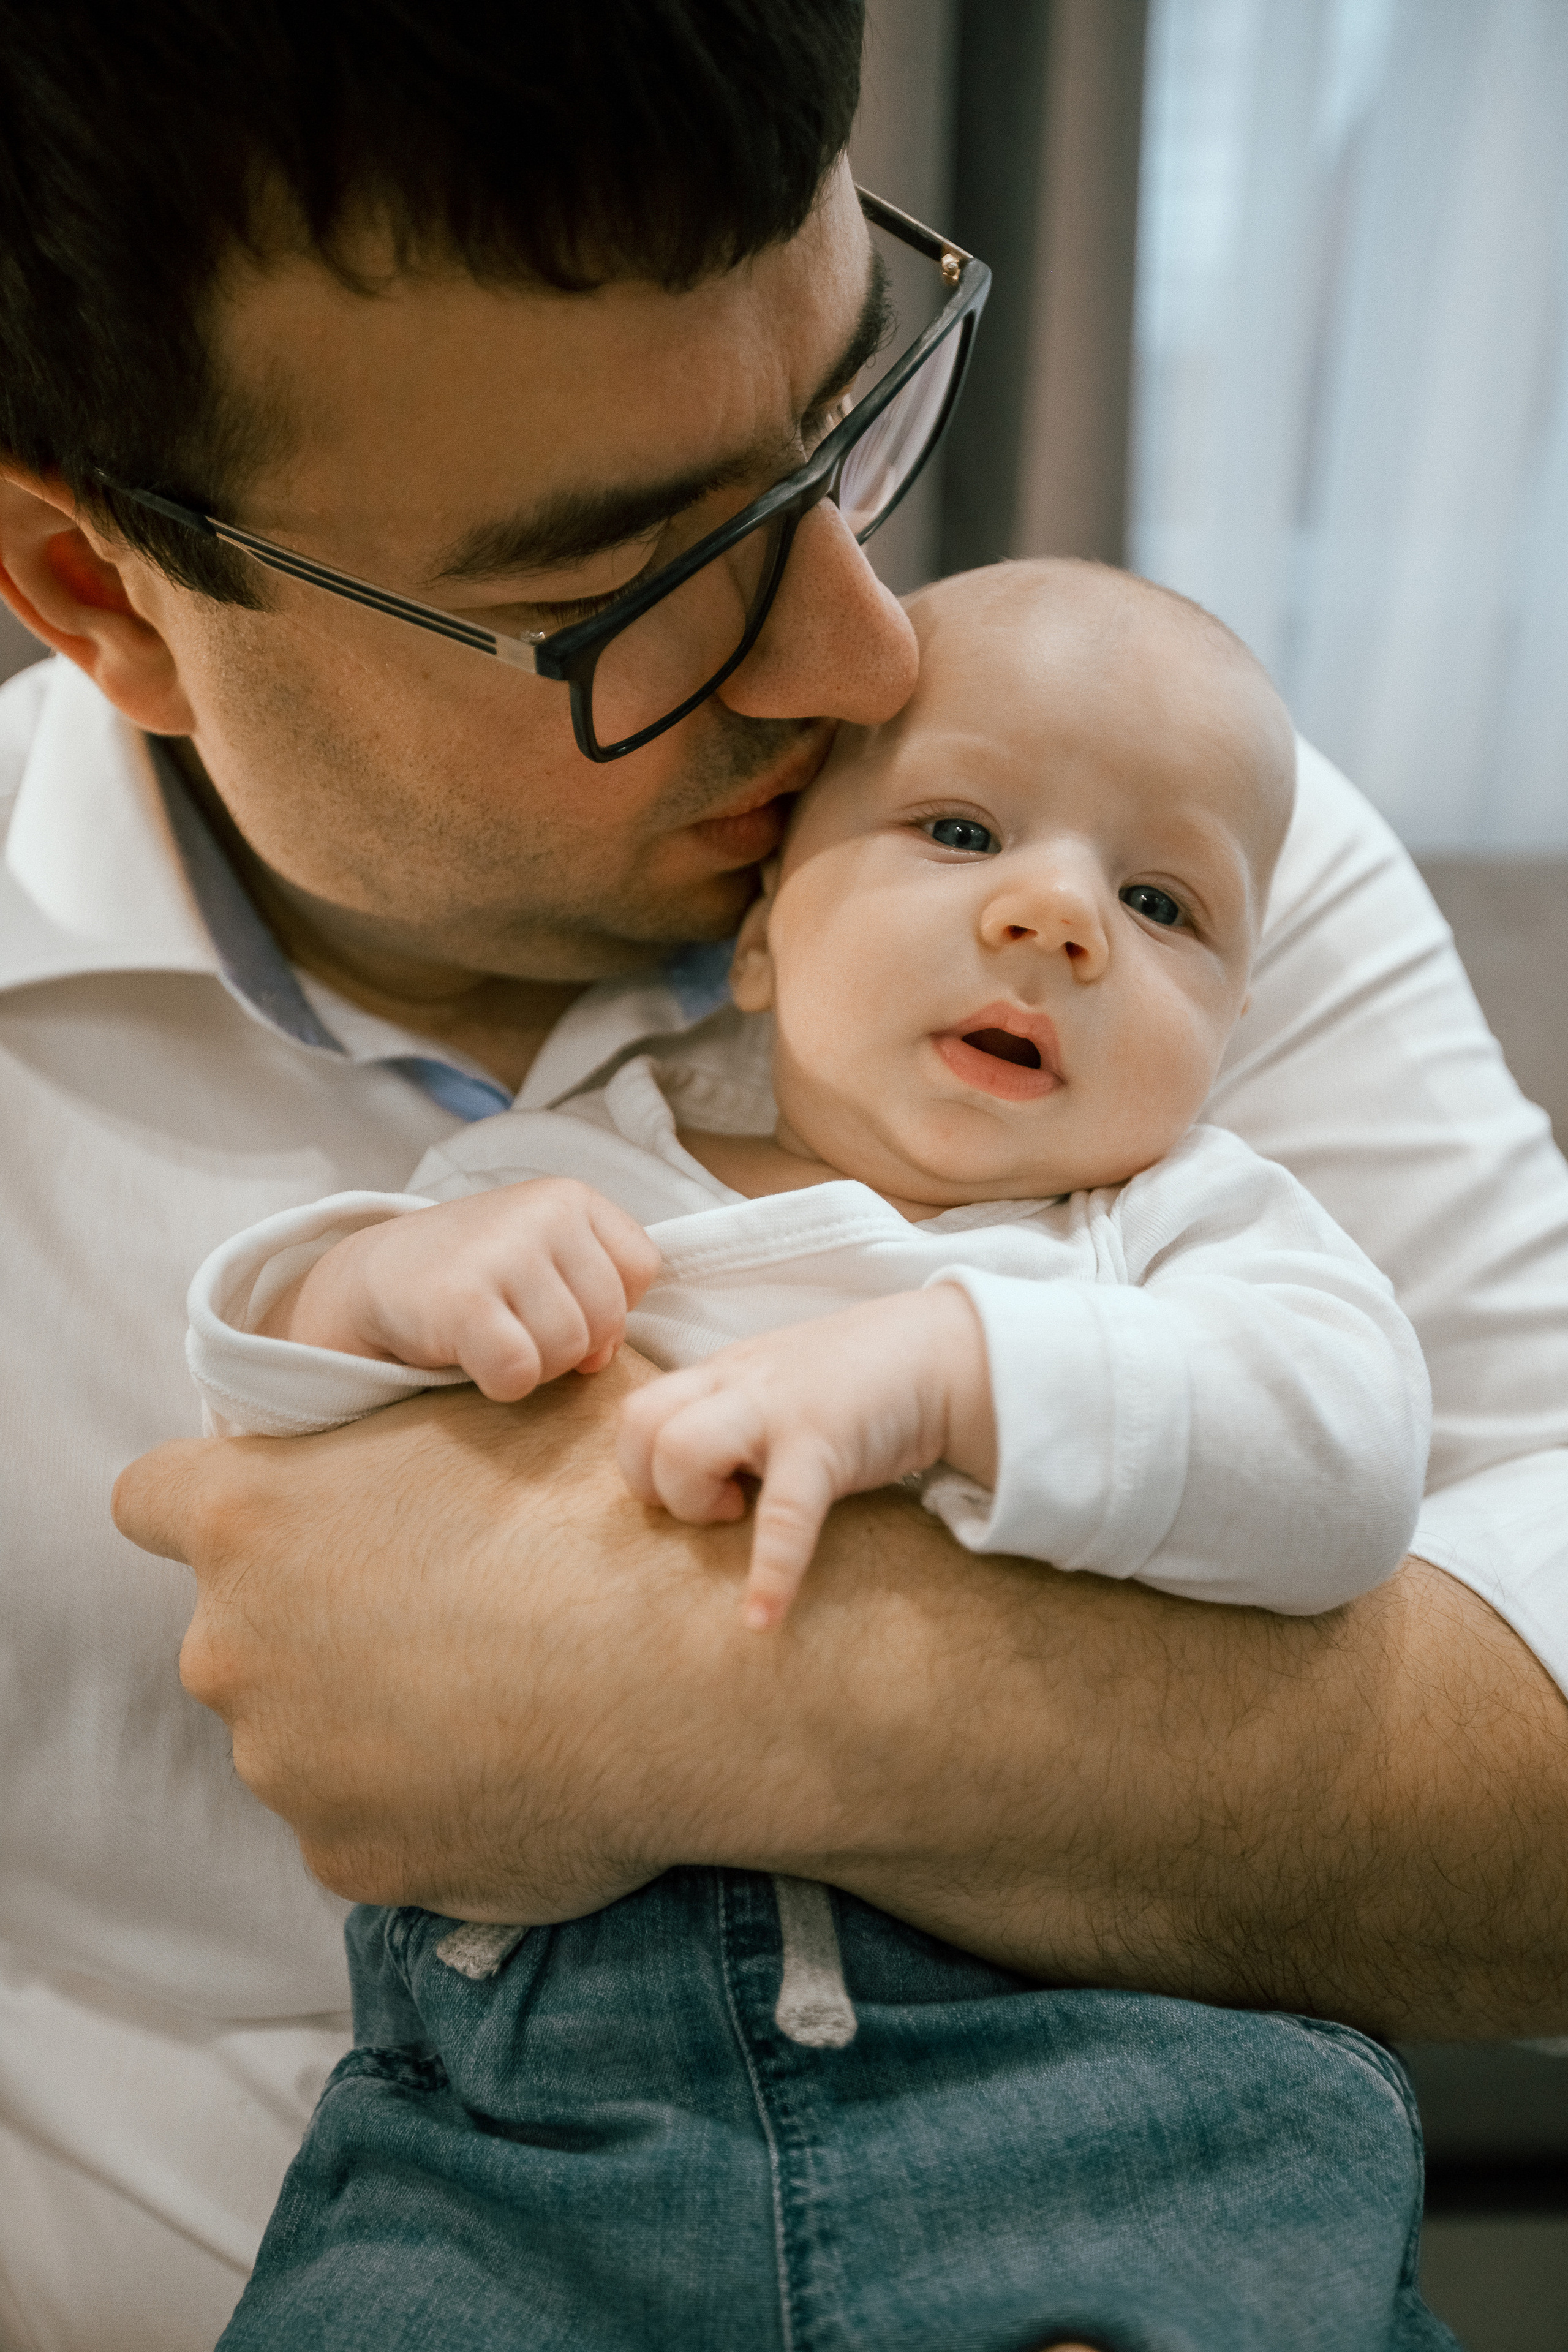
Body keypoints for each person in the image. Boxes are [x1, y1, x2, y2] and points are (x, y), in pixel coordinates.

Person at [0, 2, 1563, 2345]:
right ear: (110, 600)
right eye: (634, 582)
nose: (856, 648)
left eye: (854, 417)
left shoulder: (1132, 866)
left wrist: (715, 1691)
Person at [180, 562, 1447, 2348]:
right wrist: (370, 1278)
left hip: (1102, 2087)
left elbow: (1346, 1467)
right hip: (539, 2128)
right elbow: (281, 1476)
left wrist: (962, 1371)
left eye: (1164, 903)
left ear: (1231, 1032)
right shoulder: (575, 1176)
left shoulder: (1184, 1237)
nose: (1059, 917)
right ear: (761, 934)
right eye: (958, 826)